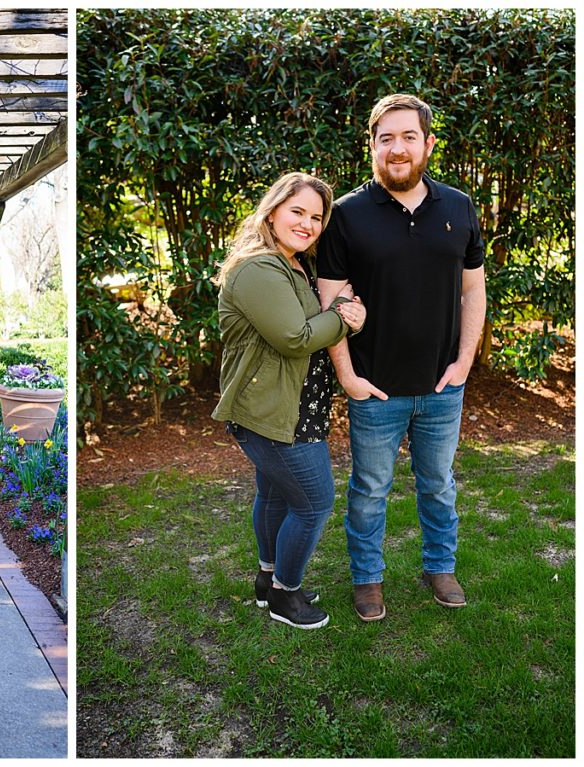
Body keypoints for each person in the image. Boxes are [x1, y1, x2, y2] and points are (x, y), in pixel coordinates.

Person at [317, 94, 487, 622]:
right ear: (371, 145)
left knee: (439, 486)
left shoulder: (458, 207)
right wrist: (348, 376)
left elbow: (474, 290)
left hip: (442, 388)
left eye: (408, 136)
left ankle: (440, 567)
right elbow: (331, 302)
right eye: (385, 137)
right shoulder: (346, 215)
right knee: (369, 491)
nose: (397, 148)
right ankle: (368, 579)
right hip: (377, 389)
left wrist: (464, 363)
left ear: (428, 144)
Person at [212, 172, 365, 629]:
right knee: (315, 502)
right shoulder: (260, 268)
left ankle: (267, 579)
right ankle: (285, 595)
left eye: (316, 217)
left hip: (290, 405)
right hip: (272, 411)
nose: (308, 223)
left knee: (275, 493)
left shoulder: (292, 262)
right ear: (273, 210)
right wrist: (343, 318)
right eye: (297, 211)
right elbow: (295, 337)